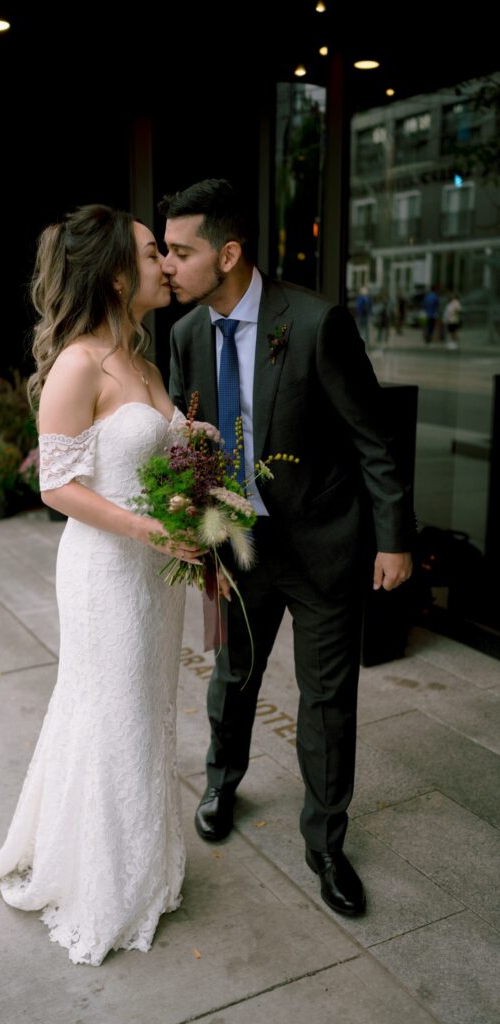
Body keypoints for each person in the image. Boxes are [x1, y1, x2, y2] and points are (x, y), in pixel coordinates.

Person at [160, 179, 414, 917]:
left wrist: (393, 538)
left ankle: (325, 845)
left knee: (328, 703)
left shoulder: (312, 321)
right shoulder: (182, 337)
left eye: (181, 251)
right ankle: (221, 779)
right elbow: (187, 446)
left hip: (324, 548)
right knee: (231, 677)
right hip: (235, 550)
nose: (168, 265)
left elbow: (372, 437)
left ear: (228, 253)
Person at [0, 204, 203, 966]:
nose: (165, 263)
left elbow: (156, 457)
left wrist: (197, 483)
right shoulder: (77, 365)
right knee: (114, 714)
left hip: (151, 576)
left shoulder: (142, 361)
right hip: (106, 571)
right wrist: (148, 529)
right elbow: (58, 488)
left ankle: (144, 863)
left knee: (147, 709)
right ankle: (105, 882)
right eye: (149, 251)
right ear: (112, 273)